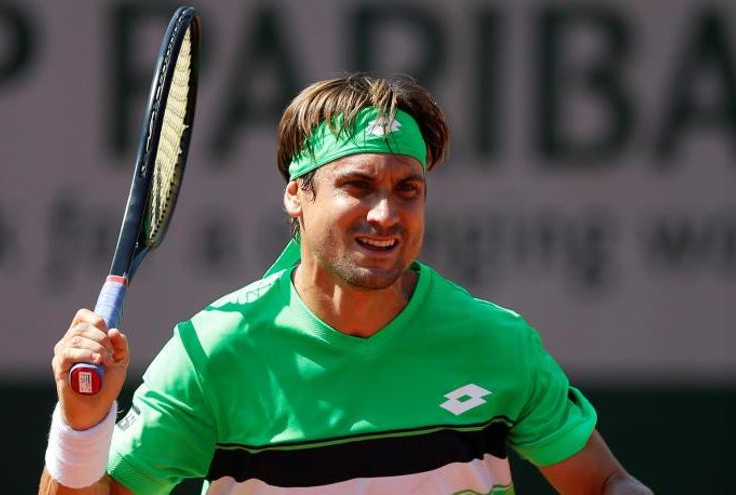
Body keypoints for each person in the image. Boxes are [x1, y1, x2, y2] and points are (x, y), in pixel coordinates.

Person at [40, 74, 652, 495]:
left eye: (407, 190)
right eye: (358, 186)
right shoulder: (214, 355)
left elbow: (603, 482)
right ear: (296, 196)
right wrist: (83, 423)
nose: (386, 214)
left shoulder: (497, 344)